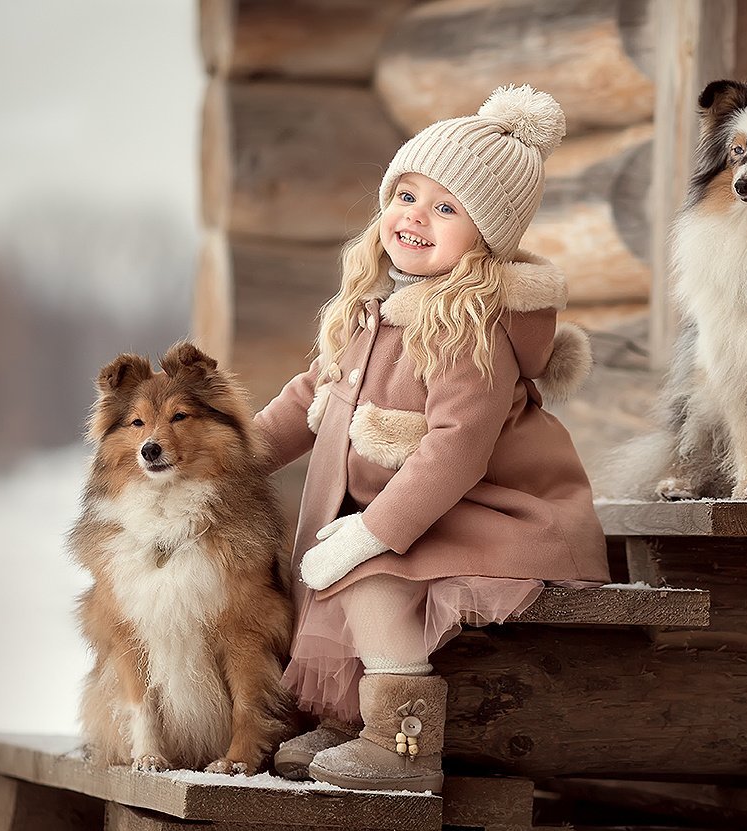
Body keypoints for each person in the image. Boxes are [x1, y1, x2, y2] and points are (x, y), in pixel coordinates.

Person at [253, 84, 609, 793]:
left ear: (486, 236)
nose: (414, 217)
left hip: (502, 510)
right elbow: (306, 400)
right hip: (429, 509)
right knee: (332, 568)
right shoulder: (372, 310)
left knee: (368, 567)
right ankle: (348, 716)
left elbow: (457, 447)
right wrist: (228, 457)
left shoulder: (469, 326)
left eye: (446, 208)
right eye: (406, 195)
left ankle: (400, 743)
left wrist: (376, 530)